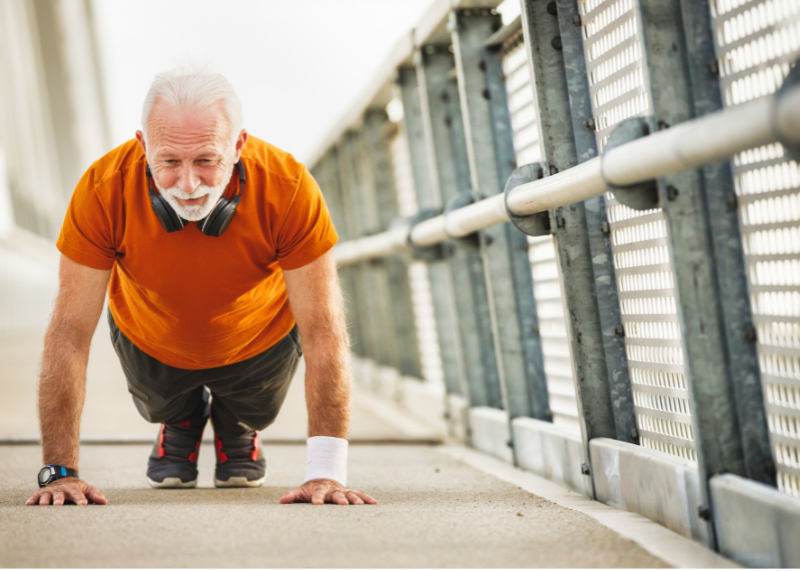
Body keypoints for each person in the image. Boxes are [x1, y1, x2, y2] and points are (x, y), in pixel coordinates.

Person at [25, 67, 376, 507]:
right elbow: (69, 334)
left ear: (239, 146)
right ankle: (179, 418)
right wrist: (58, 473)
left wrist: (327, 473)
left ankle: (237, 421)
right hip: (150, 335)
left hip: (258, 338)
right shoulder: (102, 189)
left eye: (207, 160)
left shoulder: (289, 188)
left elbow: (324, 330)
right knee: (163, 405)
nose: (188, 185)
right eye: (168, 161)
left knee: (255, 409)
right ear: (142, 146)